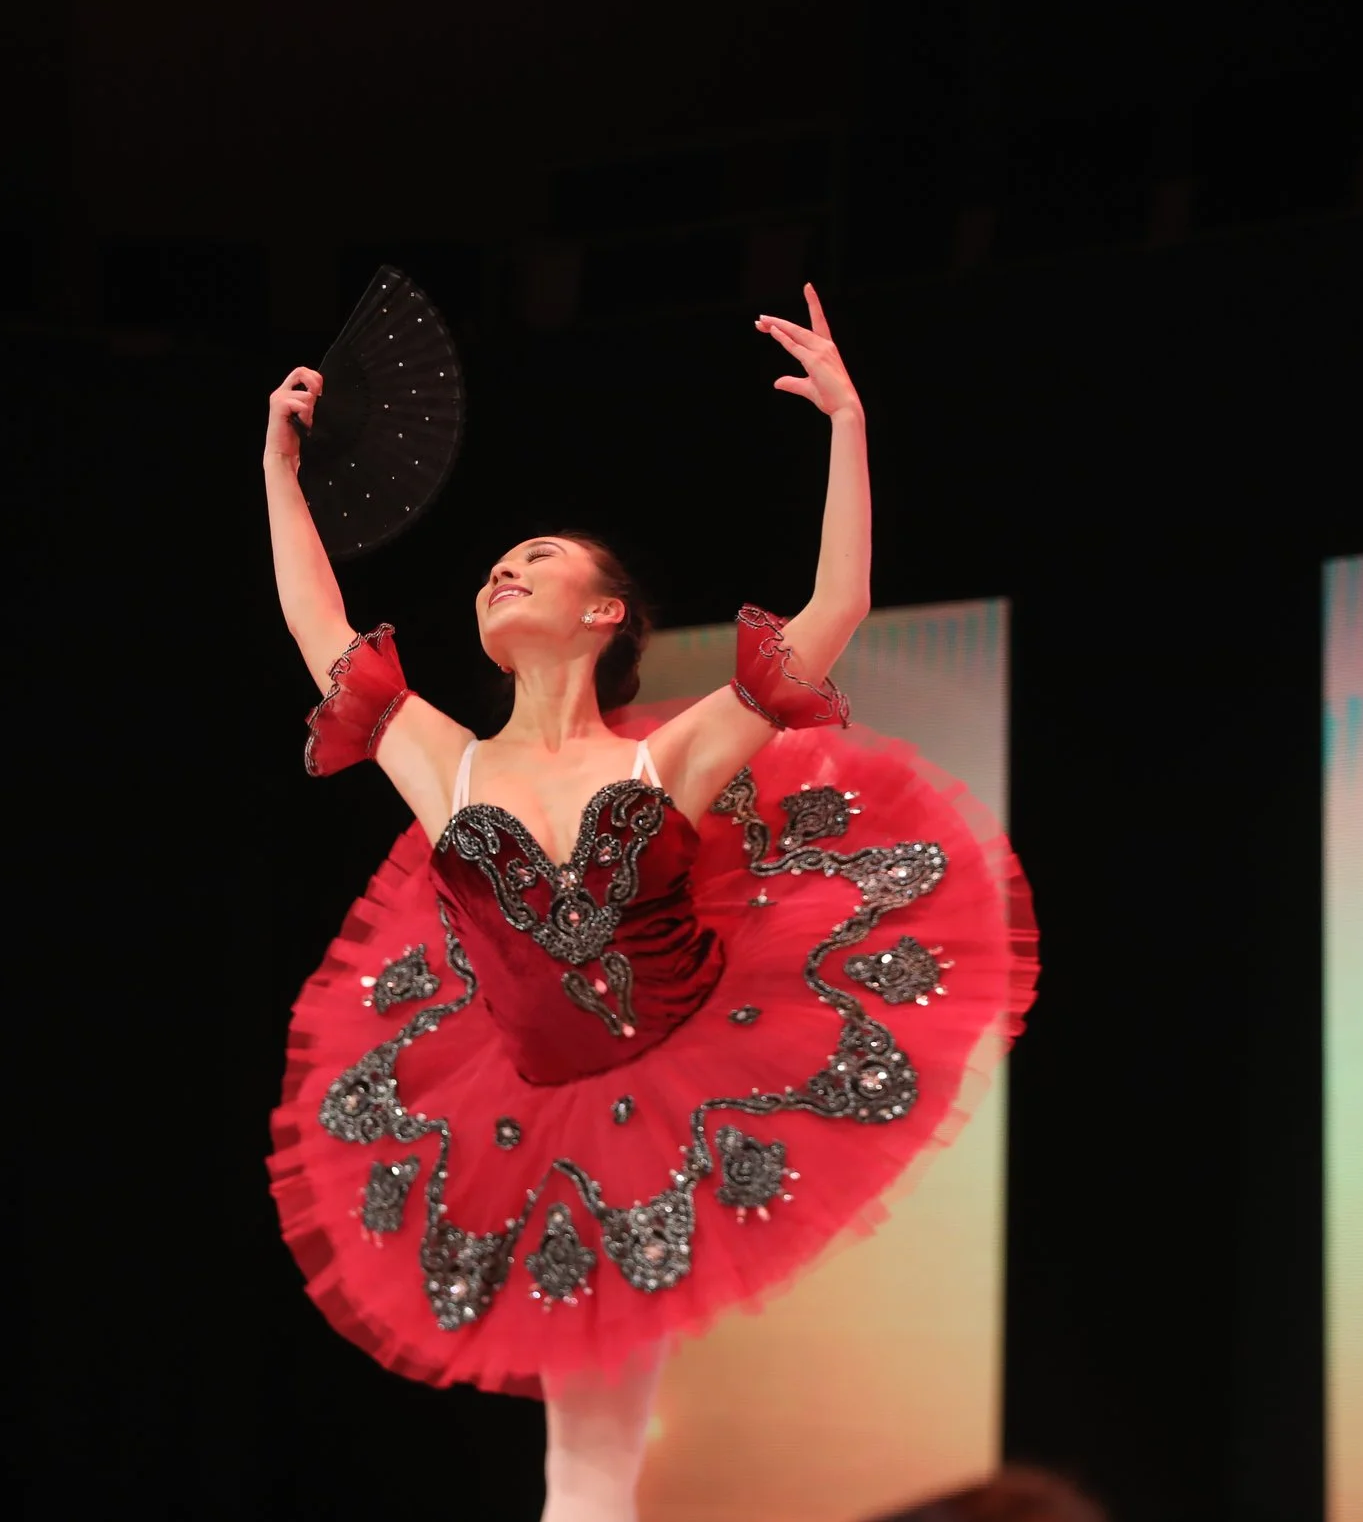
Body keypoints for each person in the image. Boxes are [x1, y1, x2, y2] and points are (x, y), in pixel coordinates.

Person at [263, 286, 1037, 1522]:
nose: (506, 568)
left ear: (603, 612)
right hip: (527, 1111)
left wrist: (847, 422)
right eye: (497, 565)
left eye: (540, 561)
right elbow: (321, 634)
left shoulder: (662, 755)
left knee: (598, 1455)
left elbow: (826, 620)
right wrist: (279, 469)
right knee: (583, 1460)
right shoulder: (445, 760)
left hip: (680, 1080)